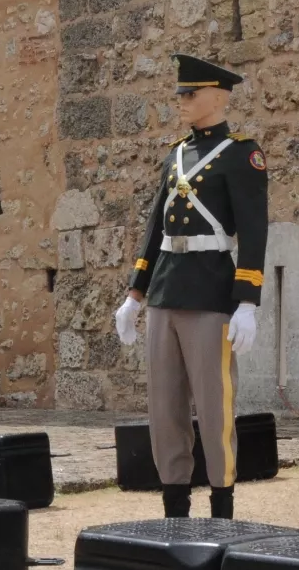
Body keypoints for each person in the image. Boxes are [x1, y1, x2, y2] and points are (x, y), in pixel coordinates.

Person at [113, 55, 269, 520]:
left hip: (209, 292)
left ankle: (222, 505)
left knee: (214, 402)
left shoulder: (242, 154)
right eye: (180, 93)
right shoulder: (176, 154)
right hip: (166, 289)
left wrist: (247, 302)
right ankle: (174, 505)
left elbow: (254, 232)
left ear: (218, 97)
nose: (181, 101)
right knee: (165, 404)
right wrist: (134, 295)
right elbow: (154, 229)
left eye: (190, 93)